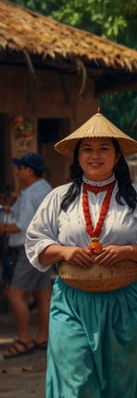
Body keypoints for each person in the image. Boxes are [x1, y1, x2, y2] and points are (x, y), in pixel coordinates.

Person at [24, 111, 137, 398]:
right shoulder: (59, 198)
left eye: (104, 148)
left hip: (125, 302)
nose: (95, 155)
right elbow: (35, 241)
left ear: (118, 156)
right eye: (87, 149)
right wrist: (64, 250)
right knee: (77, 383)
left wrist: (127, 250)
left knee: (120, 383)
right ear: (77, 156)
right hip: (71, 302)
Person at [1, 153, 53, 358]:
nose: (17, 172)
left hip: (30, 249)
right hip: (45, 247)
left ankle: (24, 339)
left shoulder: (30, 194)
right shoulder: (45, 189)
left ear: (29, 171)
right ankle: (43, 336)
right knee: (42, 293)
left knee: (14, 294)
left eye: (20, 168)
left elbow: (20, 226)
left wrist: (3, 227)